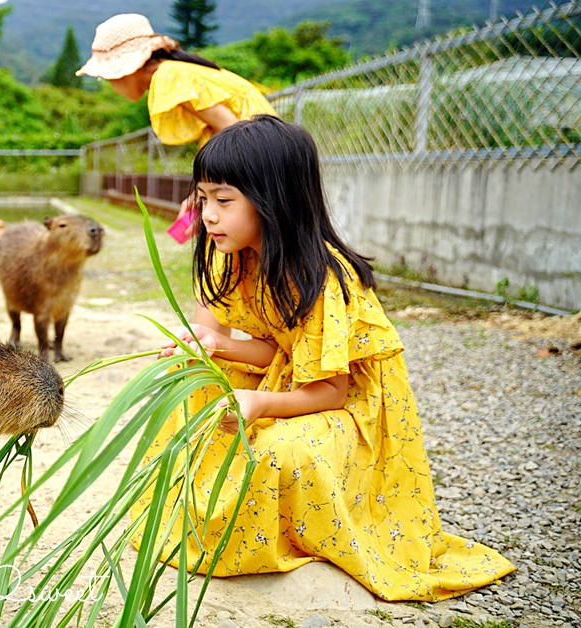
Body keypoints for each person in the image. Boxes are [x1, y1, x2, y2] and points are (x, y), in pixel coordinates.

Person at [133, 115, 515, 600]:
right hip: (289, 378)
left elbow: (330, 390)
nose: (206, 216)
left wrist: (255, 404)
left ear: (275, 201)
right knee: (189, 385)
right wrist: (210, 345)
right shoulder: (223, 251)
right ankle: (205, 506)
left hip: (345, 404)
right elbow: (268, 348)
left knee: (277, 452)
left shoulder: (320, 278)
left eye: (223, 201)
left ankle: (285, 529)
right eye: (202, 199)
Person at [76, 13, 277, 243]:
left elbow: (235, 131)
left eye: (106, 75)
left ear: (126, 68)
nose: (110, 83)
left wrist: (204, 195)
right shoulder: (174, 71)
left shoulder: (168, 76)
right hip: (258, 161)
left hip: (257, 162)